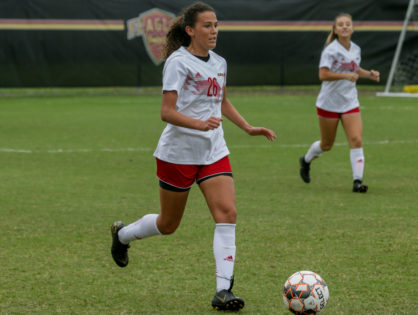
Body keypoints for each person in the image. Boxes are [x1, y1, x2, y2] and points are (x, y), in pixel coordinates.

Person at [110, 2, 276, 311]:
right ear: (190, 30)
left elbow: (222, 102)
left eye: (216, 25)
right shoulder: (178, 62)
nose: (214, 31)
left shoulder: (220, 62)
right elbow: (166, 112)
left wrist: (248, 127)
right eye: (207, 25)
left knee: (227, 213)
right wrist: (200, 124)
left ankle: (223, 291)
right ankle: (122, 235)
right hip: (179, 153)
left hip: (213, 150)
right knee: (169, 224)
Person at [299, 13, 380, 192]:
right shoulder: (330, 50)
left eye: (347, 24)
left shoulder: (356, 49)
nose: (344, 27)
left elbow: (354, 67)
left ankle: (357, 181)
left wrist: (368, 74)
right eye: (340, 25)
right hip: (329, 103)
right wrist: (345, 75)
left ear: (352, 28)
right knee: (327, 145)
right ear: (335, 30)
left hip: (350, 102)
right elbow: (323, 74)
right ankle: (305, 160)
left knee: (356, 140)